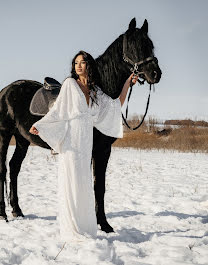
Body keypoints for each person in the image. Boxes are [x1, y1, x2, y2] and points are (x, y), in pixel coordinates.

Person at [29, 50, 138, 242]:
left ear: (89, 65)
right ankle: (71, 226)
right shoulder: (70, 85)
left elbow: (115, 105)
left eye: (83, 62)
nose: (79, 66)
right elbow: (58, 111)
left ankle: (85, 224)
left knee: (84, 182)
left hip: (86, 139)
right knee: (71, 180)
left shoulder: (96, 91)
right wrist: (41, 125)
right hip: (72, 139)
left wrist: (127, 84)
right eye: (76, 63)